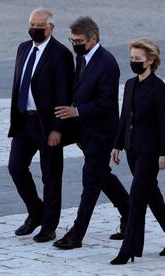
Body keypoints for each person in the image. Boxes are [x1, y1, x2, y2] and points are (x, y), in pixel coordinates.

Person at [53, 17, 129, 250]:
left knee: (91, 181)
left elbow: (107, 102)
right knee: (101, 175)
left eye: (78, 41)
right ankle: (130, 212)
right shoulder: (82, 57)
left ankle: (77, 234)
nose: (74, 44)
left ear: (93, 38)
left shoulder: (107, 63)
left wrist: (77, 111)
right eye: (72, 40)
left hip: (101, 133)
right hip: (83, 130)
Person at [110, 39, 165, 265]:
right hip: (132, 148)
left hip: (150, 151)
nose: (134, 62)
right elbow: (124, 116)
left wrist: (164, 153)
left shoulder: (159, 88)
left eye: (138, 59)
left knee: (137, 199)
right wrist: (117, 144)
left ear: (150, 61)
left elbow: (164, 123)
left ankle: (129, 248)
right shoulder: (130, 84)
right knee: (152, 195)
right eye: (132, 59)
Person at [8, 8, 74, 243]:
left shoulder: (61, 54)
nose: (34, 28)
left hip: (47, 125)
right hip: (25, 121)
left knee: (51, 176)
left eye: (39, 25)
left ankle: (49, 225)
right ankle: (36, 212)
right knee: (16, 167)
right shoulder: (23, 48)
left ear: (51, 28)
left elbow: (64, 93)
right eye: (32, 24)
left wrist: (58, 128)